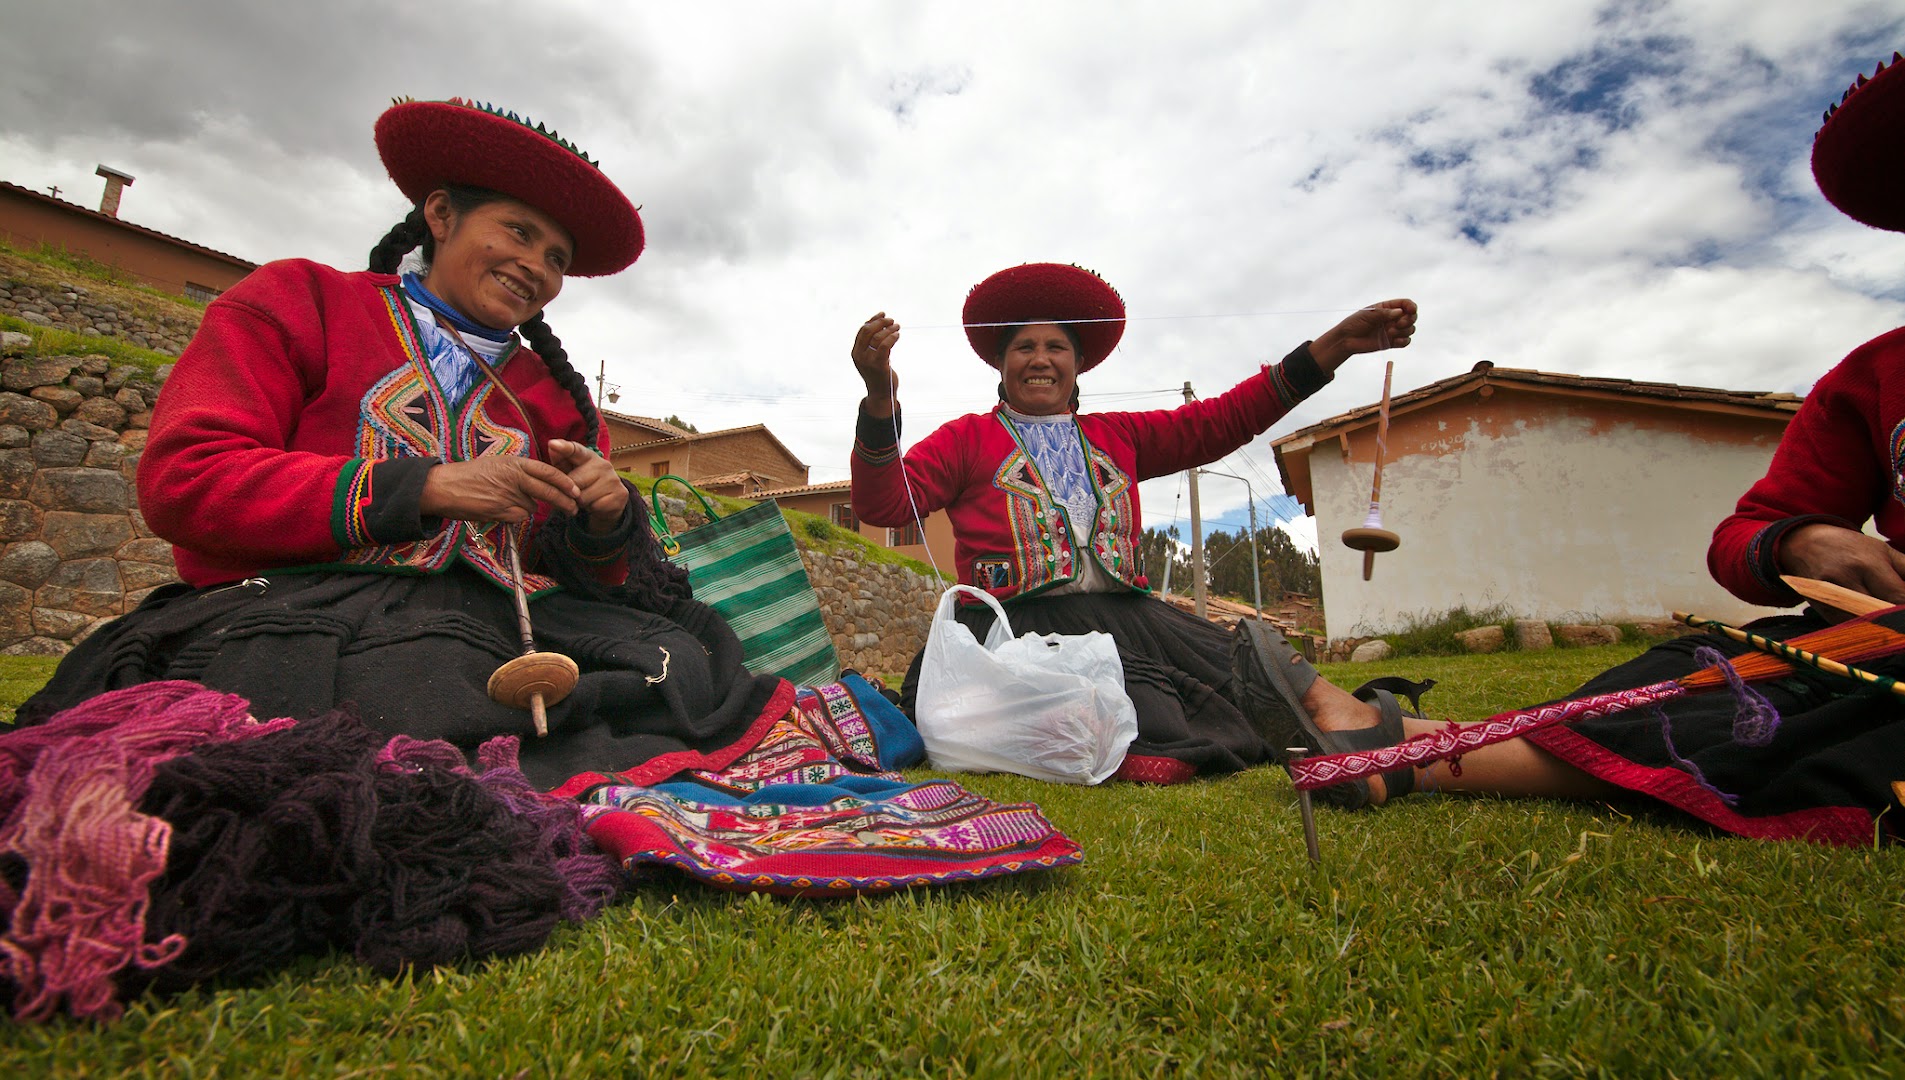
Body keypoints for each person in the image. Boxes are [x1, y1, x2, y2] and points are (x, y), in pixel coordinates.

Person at [16, 97, 789, 789]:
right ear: (442, 214)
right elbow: (187, 479)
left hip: (503, 621)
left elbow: (578, 574)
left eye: (557, 258)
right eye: (518, 232)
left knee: (680, 658)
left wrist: (600, 518)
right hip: (303, 606)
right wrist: (421, 487)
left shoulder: (553, 395)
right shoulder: (299, 300)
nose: (538, 268)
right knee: (392, 685)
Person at [1291, 53, 1905, 843]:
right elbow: (1743, 539)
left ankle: (1410, 747)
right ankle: (1417, 745)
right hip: (1880, 642)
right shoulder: (1871, 377)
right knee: (1708, 672)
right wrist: (1802, 540)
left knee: (1838, 735)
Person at [848, 261, 1421, 783]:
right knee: (1150, 716)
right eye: (1023, 347)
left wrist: (1338, 345)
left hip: (1130, 619)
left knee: (1248, 676)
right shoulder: (965, 440)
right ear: (1001, 364)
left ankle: (1357, 725)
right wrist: (879, 399)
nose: (1041, 359)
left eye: (1057, 347)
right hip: (1012, 629)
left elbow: (1226, 419)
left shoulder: (1119, 435)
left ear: (1078, 365)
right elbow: (884, 507)